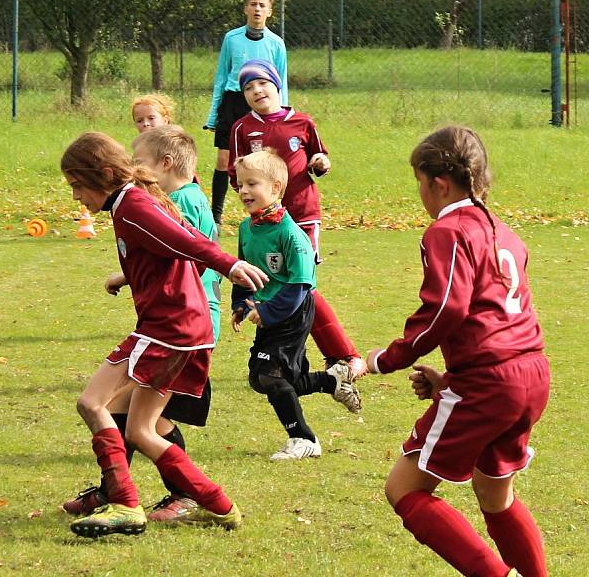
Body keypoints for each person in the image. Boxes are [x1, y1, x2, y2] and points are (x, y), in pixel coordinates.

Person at [61, 131, 268, 537]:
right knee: (140, 429)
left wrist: (228, 264)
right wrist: (129, 275)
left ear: (102, 175)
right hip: (182, 328)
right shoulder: (133, 200)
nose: (75, 198)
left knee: (92, 402)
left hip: (169, 329)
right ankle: (220, 505)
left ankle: (124, 503)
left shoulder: (132, 204)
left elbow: (183, 240)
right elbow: (166, 249)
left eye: (76, 186)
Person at [365, 126, 549, 577]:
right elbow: (497, 317)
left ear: (439, 183)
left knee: (404, 489)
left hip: (490, 381)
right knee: (495, 495)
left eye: (420, 184)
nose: (422, 196)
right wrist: (453, 379)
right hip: (530, 373)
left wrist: (385, 358)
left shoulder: (447, 230)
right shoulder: (503, 230)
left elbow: (448, 307)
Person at [229, 59, 366, 377]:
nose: (255, 90)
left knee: (304, 286)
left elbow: (321, 158)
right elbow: (237, 173)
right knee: (283, 285)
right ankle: (291, 355)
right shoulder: (242, 128)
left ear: (276, 85)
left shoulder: (302, 122)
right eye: (247, 87)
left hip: (301, 214)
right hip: (266, 222)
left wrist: (321, 163)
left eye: (261, 82)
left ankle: (345, 356)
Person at [232, 149, 361, 461]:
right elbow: (243, 270)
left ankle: (303, 439)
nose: (243, 191)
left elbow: (300, 286)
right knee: (262, 378)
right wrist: (241, 304)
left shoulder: (292, 234)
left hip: (293, 310)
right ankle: (331, 380)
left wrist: (268, 311)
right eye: (239, 185)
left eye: (252, 184)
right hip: (268, 311)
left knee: (270, 376)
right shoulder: (246, 228)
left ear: (276, 188)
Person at [205, 0, 287, 226]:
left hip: (263, 106)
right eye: (253, 4)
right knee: (224, 160)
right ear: (246, 9)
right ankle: (216, 219)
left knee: (262, 161)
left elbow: (281, 81)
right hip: (233, 101)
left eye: (262, 5)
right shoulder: (232, 38)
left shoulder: (276, 44)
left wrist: (280, 113)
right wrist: (213, 115)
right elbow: (221, 76)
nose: (257, 9)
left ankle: (268, 213)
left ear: (270, 11)